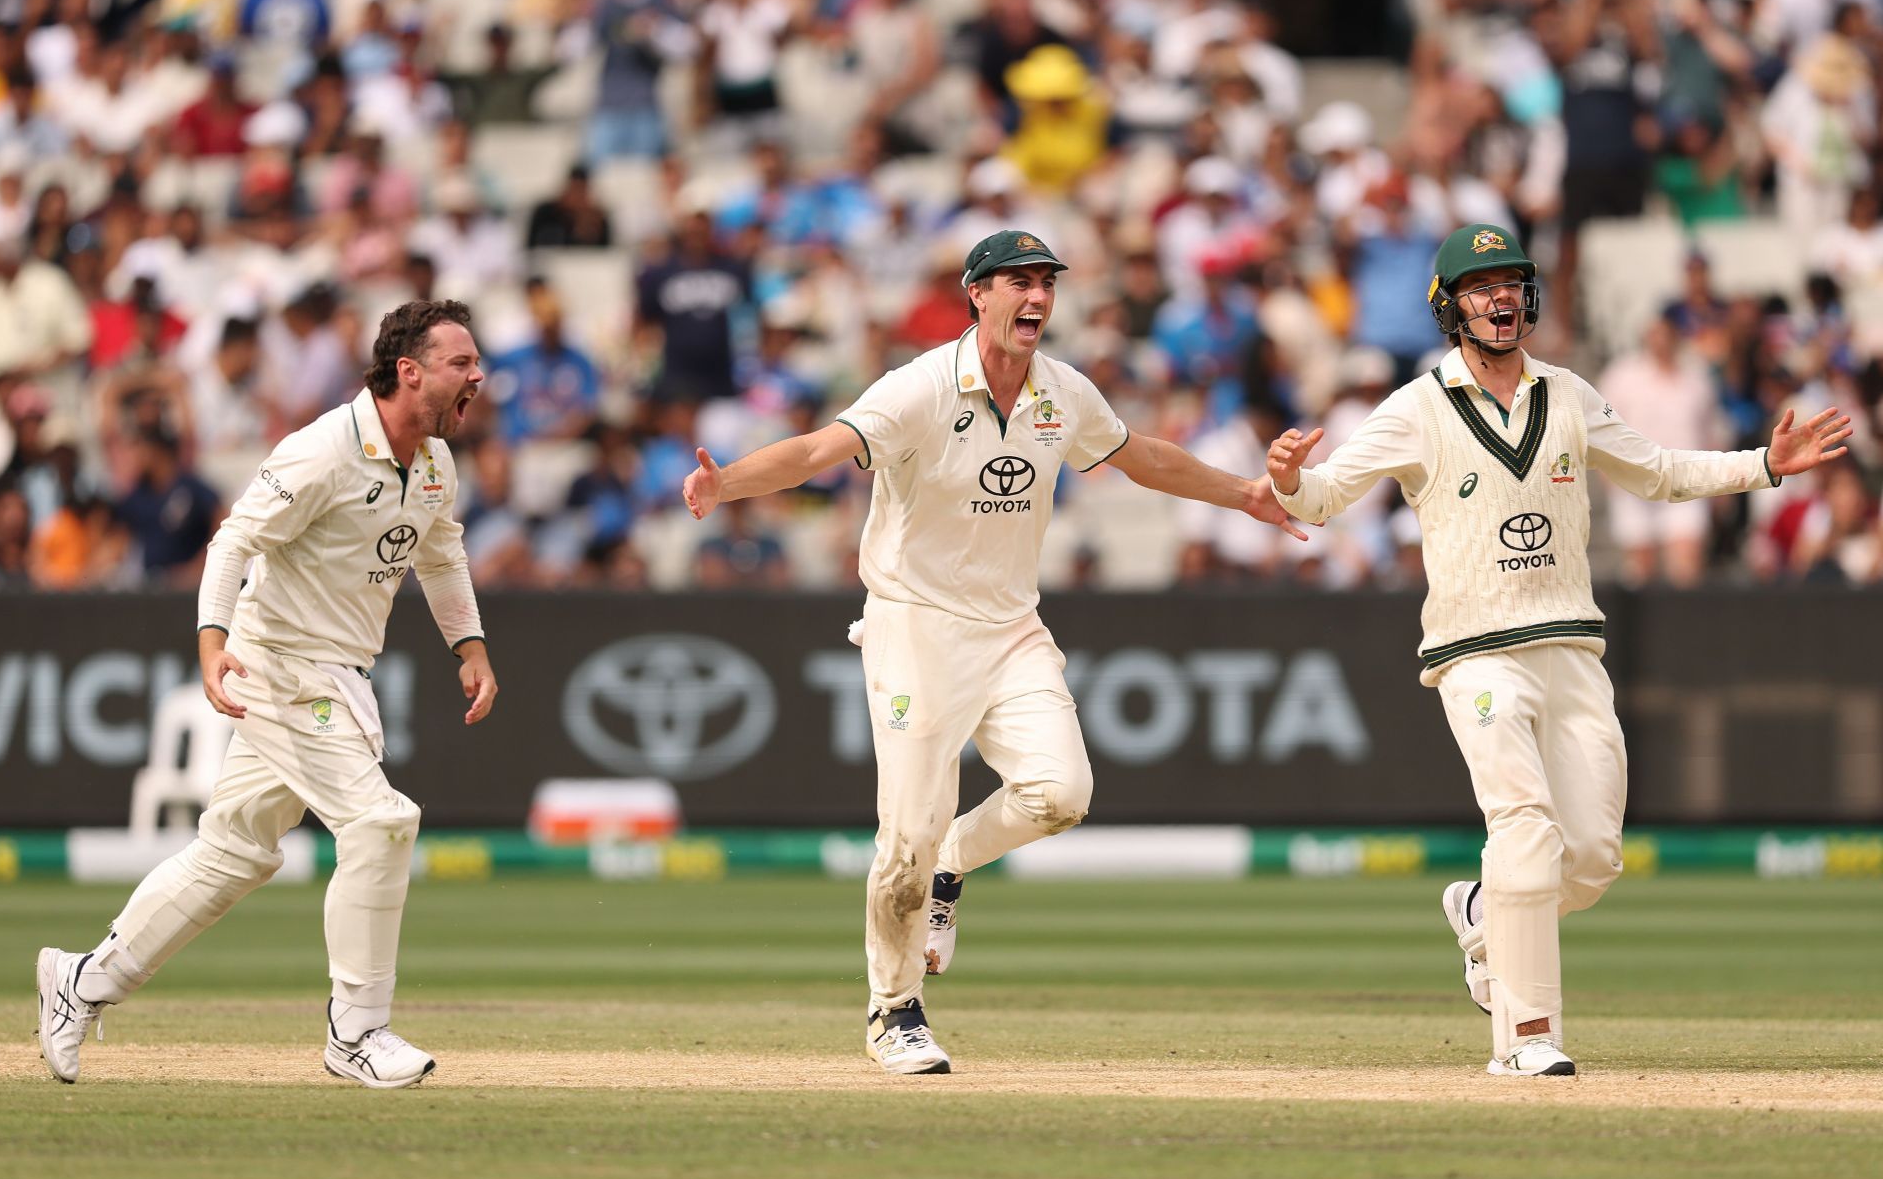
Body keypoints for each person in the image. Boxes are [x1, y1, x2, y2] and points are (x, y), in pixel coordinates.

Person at [681, 230, 1302, 1075]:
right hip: (914, 625)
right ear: (977, 294)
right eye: (1018, 281)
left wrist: (1243, 495)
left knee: (1062, 792)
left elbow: (1141, 456)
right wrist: (730, 483)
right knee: (903, 834)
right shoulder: (921, 388)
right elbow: (819, 451)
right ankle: (895, 1010)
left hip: (1010, 628)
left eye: (1047, 281)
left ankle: (954, 862)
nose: (1037, 296)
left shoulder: (1064, 391)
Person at [1264, 225, 1851, 1078]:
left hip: (1572, 646)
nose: (1500, 299)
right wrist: (1286, 478)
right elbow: (1322, 500)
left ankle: (1479, 912)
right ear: (1449, 305)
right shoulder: (1418, 406)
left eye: (1510, 281)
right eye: (1480, 286)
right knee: (1525, 831)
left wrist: (1763, 463)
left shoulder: (1569, 392)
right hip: (1477, 652)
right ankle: (1525, 1036)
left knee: (1593, 855)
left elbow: (1655, 472)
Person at [36, 300, 500, 1090]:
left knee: (233, 853)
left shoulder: (432, 464)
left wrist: (470, 645)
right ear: (410, 371)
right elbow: (233, 540)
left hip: (338, 670)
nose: (478, 375)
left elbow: (442, 552)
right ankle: (356, 1031)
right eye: (462, 363)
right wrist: (212, 643)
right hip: (279, 664)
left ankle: (80, 981)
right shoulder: (322, 450)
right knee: (383, 822)